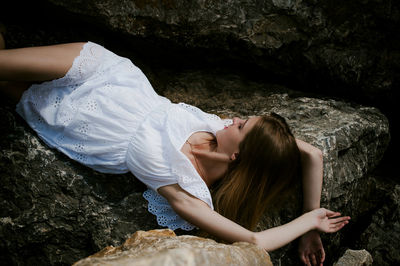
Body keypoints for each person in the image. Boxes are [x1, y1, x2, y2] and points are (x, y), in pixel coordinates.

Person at [0, 36, 350, 266]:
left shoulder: (186, 190)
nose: (234, 119)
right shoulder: (216, 128)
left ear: (237, 158)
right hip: (107, 72)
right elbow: (312, 155)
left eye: (242, 126)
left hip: (81, 123)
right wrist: (312, 223)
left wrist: (308, 223)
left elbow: (256, 241)